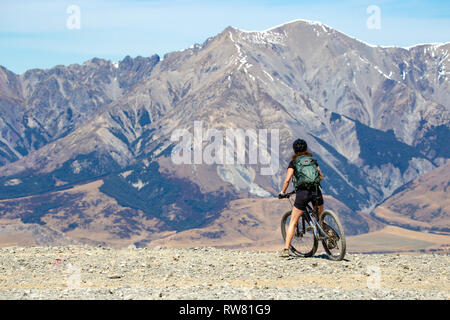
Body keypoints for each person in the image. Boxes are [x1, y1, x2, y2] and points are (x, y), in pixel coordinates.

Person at [278, 139, 324, 257]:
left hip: (303, 194)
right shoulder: (313, 161)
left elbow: (287, 180)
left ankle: (286, 250)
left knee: (293, 222)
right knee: (321, 218)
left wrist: (282, 192)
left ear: (294, 150)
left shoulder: (294, 163)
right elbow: (321, 177)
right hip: (316, 191)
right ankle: (329, 237)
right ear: (306, 149)